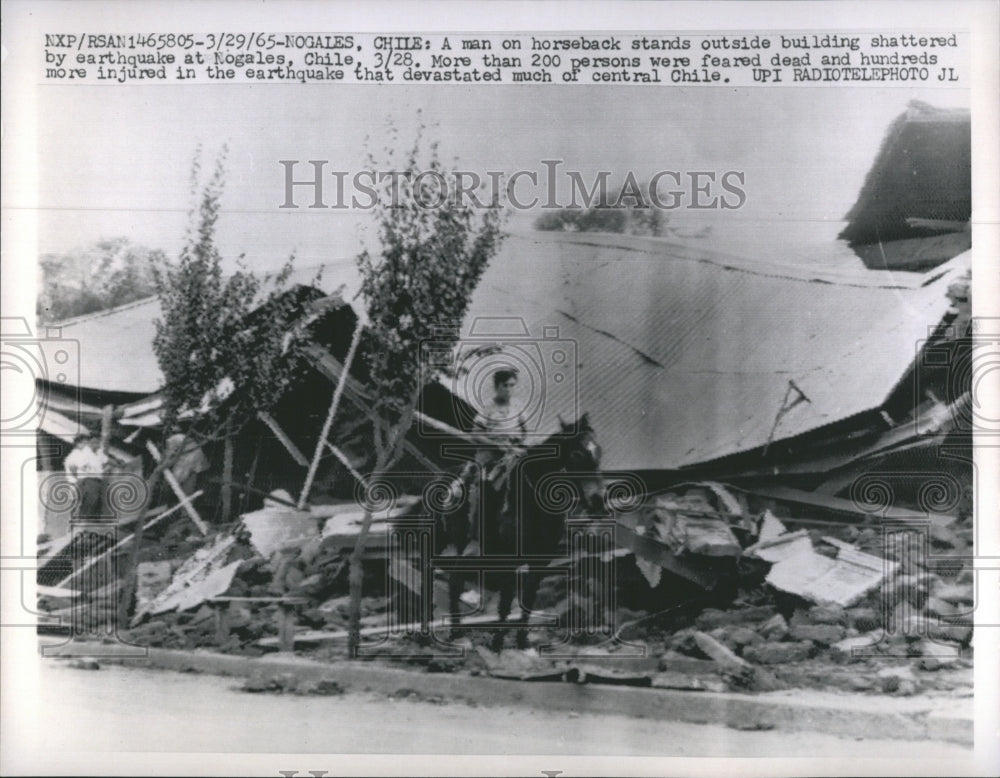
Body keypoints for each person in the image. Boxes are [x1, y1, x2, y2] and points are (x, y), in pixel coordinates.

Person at [456, 367, 527, 556]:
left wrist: (516, 444)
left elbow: (524, 432)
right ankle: (475, 538)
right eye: (505, 386)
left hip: (511, 454)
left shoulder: (518, 407)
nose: (509, 390)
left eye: (512, 385)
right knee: (484, 487)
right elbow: (475, 434)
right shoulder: (487, 408)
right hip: (489, 455)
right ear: (497, 387)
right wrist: (496, 444)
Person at [64, 432, 109, 520]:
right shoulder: (76, 454)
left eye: (87, 443)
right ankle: (77, 527)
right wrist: (79, 479)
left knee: (80, 508)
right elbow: (72, 467)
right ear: (78, 444)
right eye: (84, 443)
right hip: (77, 483)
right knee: (82, 508)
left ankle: (75, 527)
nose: (86, 445)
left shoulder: (85, 454)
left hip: (79, 483)